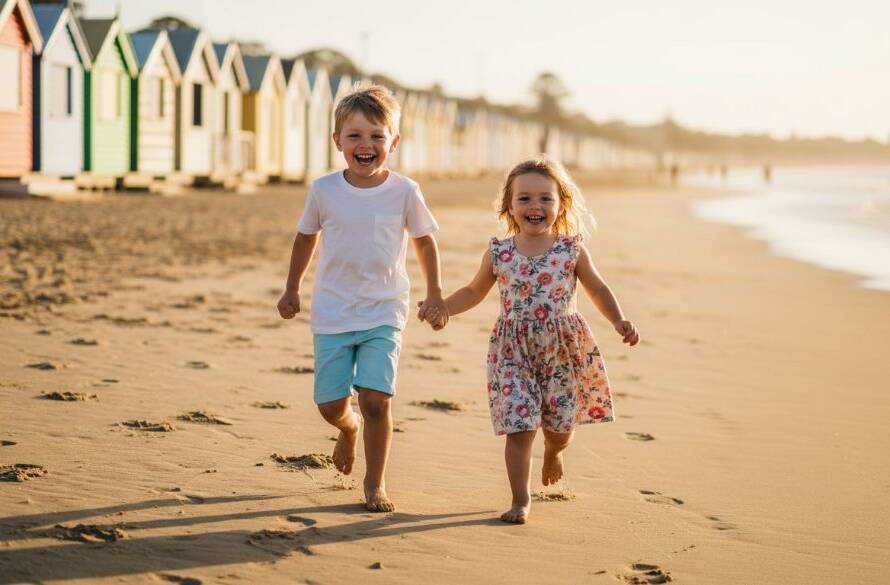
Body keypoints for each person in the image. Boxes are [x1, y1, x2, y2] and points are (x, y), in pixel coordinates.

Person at [419, 158, 639, 524]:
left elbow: (597, 288)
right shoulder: (499, 253)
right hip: (512, 352)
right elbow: (474, 291)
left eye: (544, 199)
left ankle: (554, 452)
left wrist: (619, 320)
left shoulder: (571, 250)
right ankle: (521, 499)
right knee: (520, 428)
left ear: (560, 205)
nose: (534, 206)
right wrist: (443, 308)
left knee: (559, 428)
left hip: (562, 350)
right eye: (524, 199)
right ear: (509, 206)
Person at [277, 85, 446, 513]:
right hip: (333, 309)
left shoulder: (405, 191)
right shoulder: (324, 190)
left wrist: (435, 294)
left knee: (376, 399)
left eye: (376, 136)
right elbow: (305, 237)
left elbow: (425, 242)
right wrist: (292, 287)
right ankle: (347, 428)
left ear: (394, 142)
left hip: (384, 308)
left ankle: (375, 483)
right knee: (330, 404)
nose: (365, 145)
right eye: (354, 136)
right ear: (337, 142)